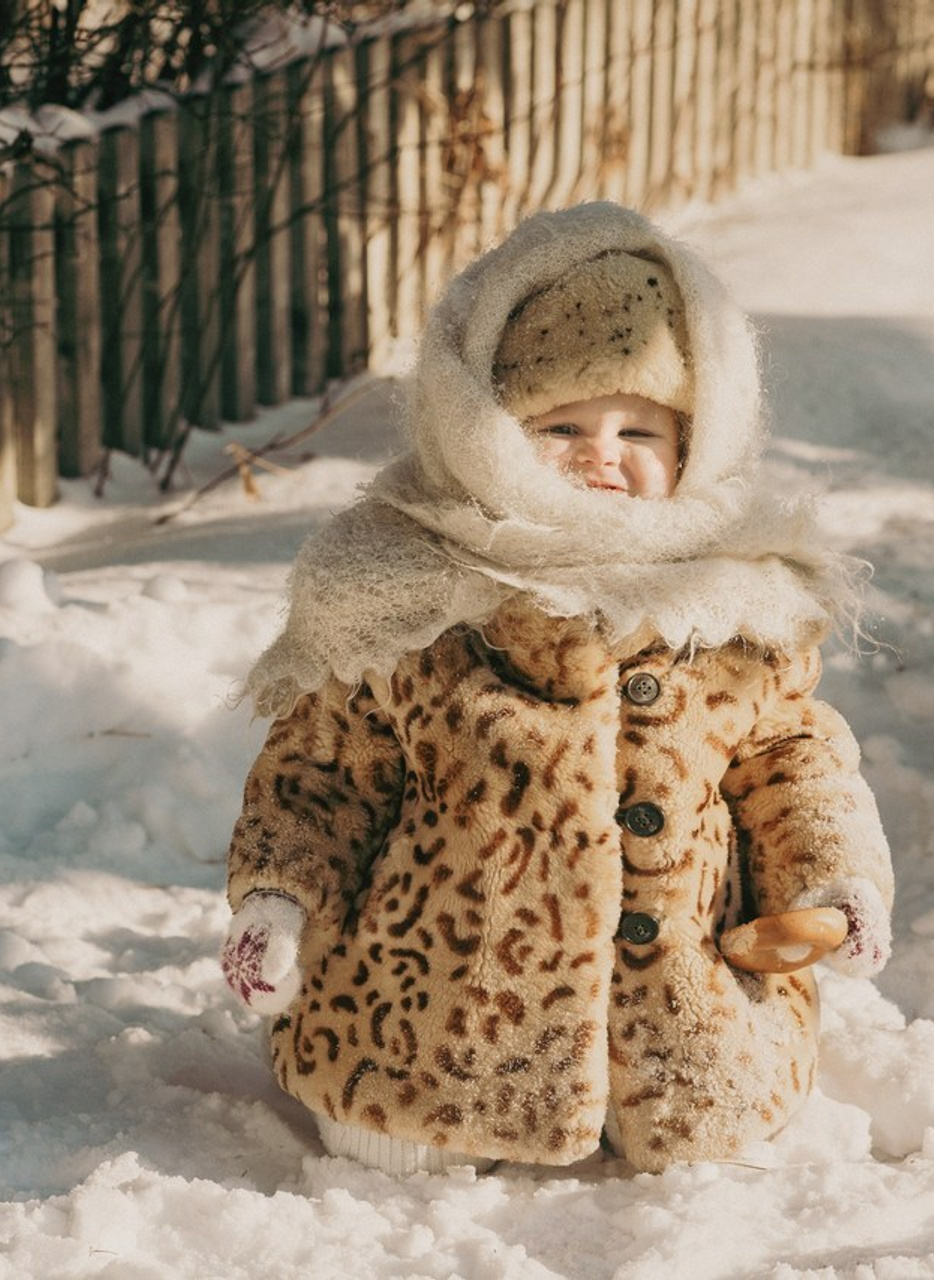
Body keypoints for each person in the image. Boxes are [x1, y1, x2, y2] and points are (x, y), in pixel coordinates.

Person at [220, 201, 893, 1176]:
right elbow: (323, 774)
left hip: (687, 1012)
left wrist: (833, 881)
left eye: (639, 427)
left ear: (695, 439)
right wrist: (277, 900)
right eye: (562, 423)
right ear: (485, 432)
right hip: (431, 1016)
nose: (601, 452)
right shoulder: (407, 591)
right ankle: (409, 1107)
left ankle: (667, 1101)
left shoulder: (733, 606)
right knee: (392, 1145)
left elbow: (794, 762)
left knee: (708, 1141)